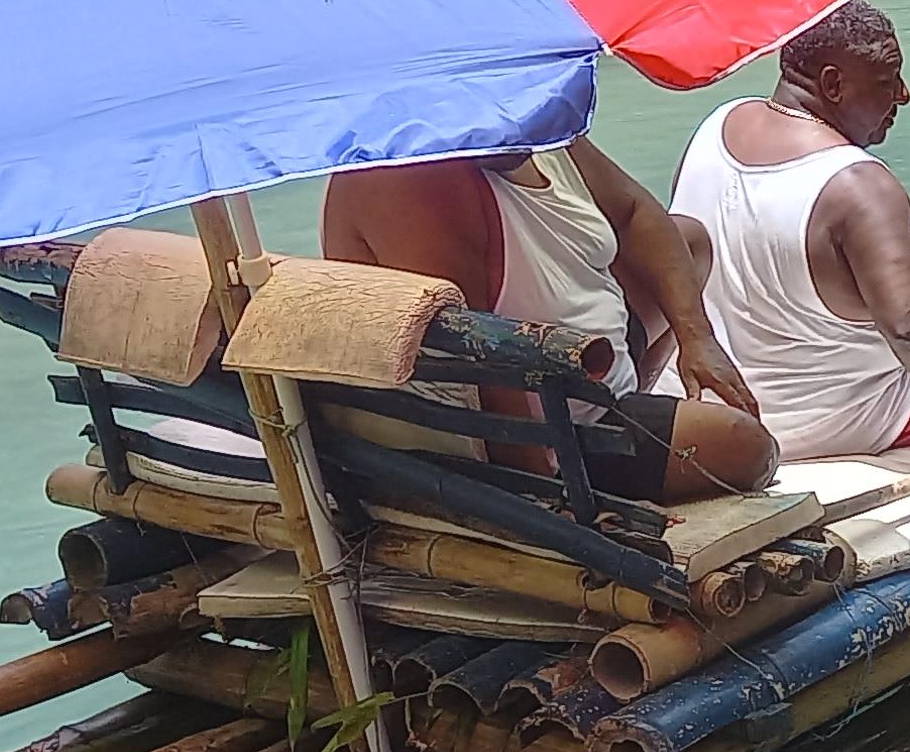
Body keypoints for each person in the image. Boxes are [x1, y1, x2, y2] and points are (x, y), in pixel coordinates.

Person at [669, 0, 910, 461]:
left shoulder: (720, 125)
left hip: (722, 406)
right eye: (886, 81)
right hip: (837, 419)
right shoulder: (858, 187)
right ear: (833, 84)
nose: (903, 94)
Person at [323, 141, 783, 501]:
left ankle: (630, 406)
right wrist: (552, 498)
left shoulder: (545, 126)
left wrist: (696, 337)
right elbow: (480, 364)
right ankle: (605, 450)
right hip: (533, 421)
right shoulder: (411, 177)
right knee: (748, 449)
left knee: (689, 241)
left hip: (579, 363)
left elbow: (636, 213)